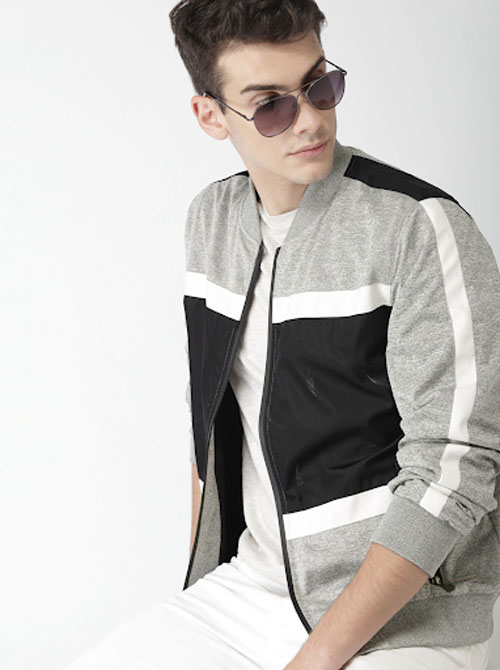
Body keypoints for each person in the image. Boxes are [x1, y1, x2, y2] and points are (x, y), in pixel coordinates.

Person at [65, 1, 500, 668]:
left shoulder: (418, 226)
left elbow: (457, 467)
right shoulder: (211, 220)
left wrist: (315, 659)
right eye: (270, 106)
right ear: (211, 115)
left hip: (411, 613)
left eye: (319, 85)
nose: (311, 120)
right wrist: (201, 586)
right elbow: (212, 428)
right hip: (251, 589)